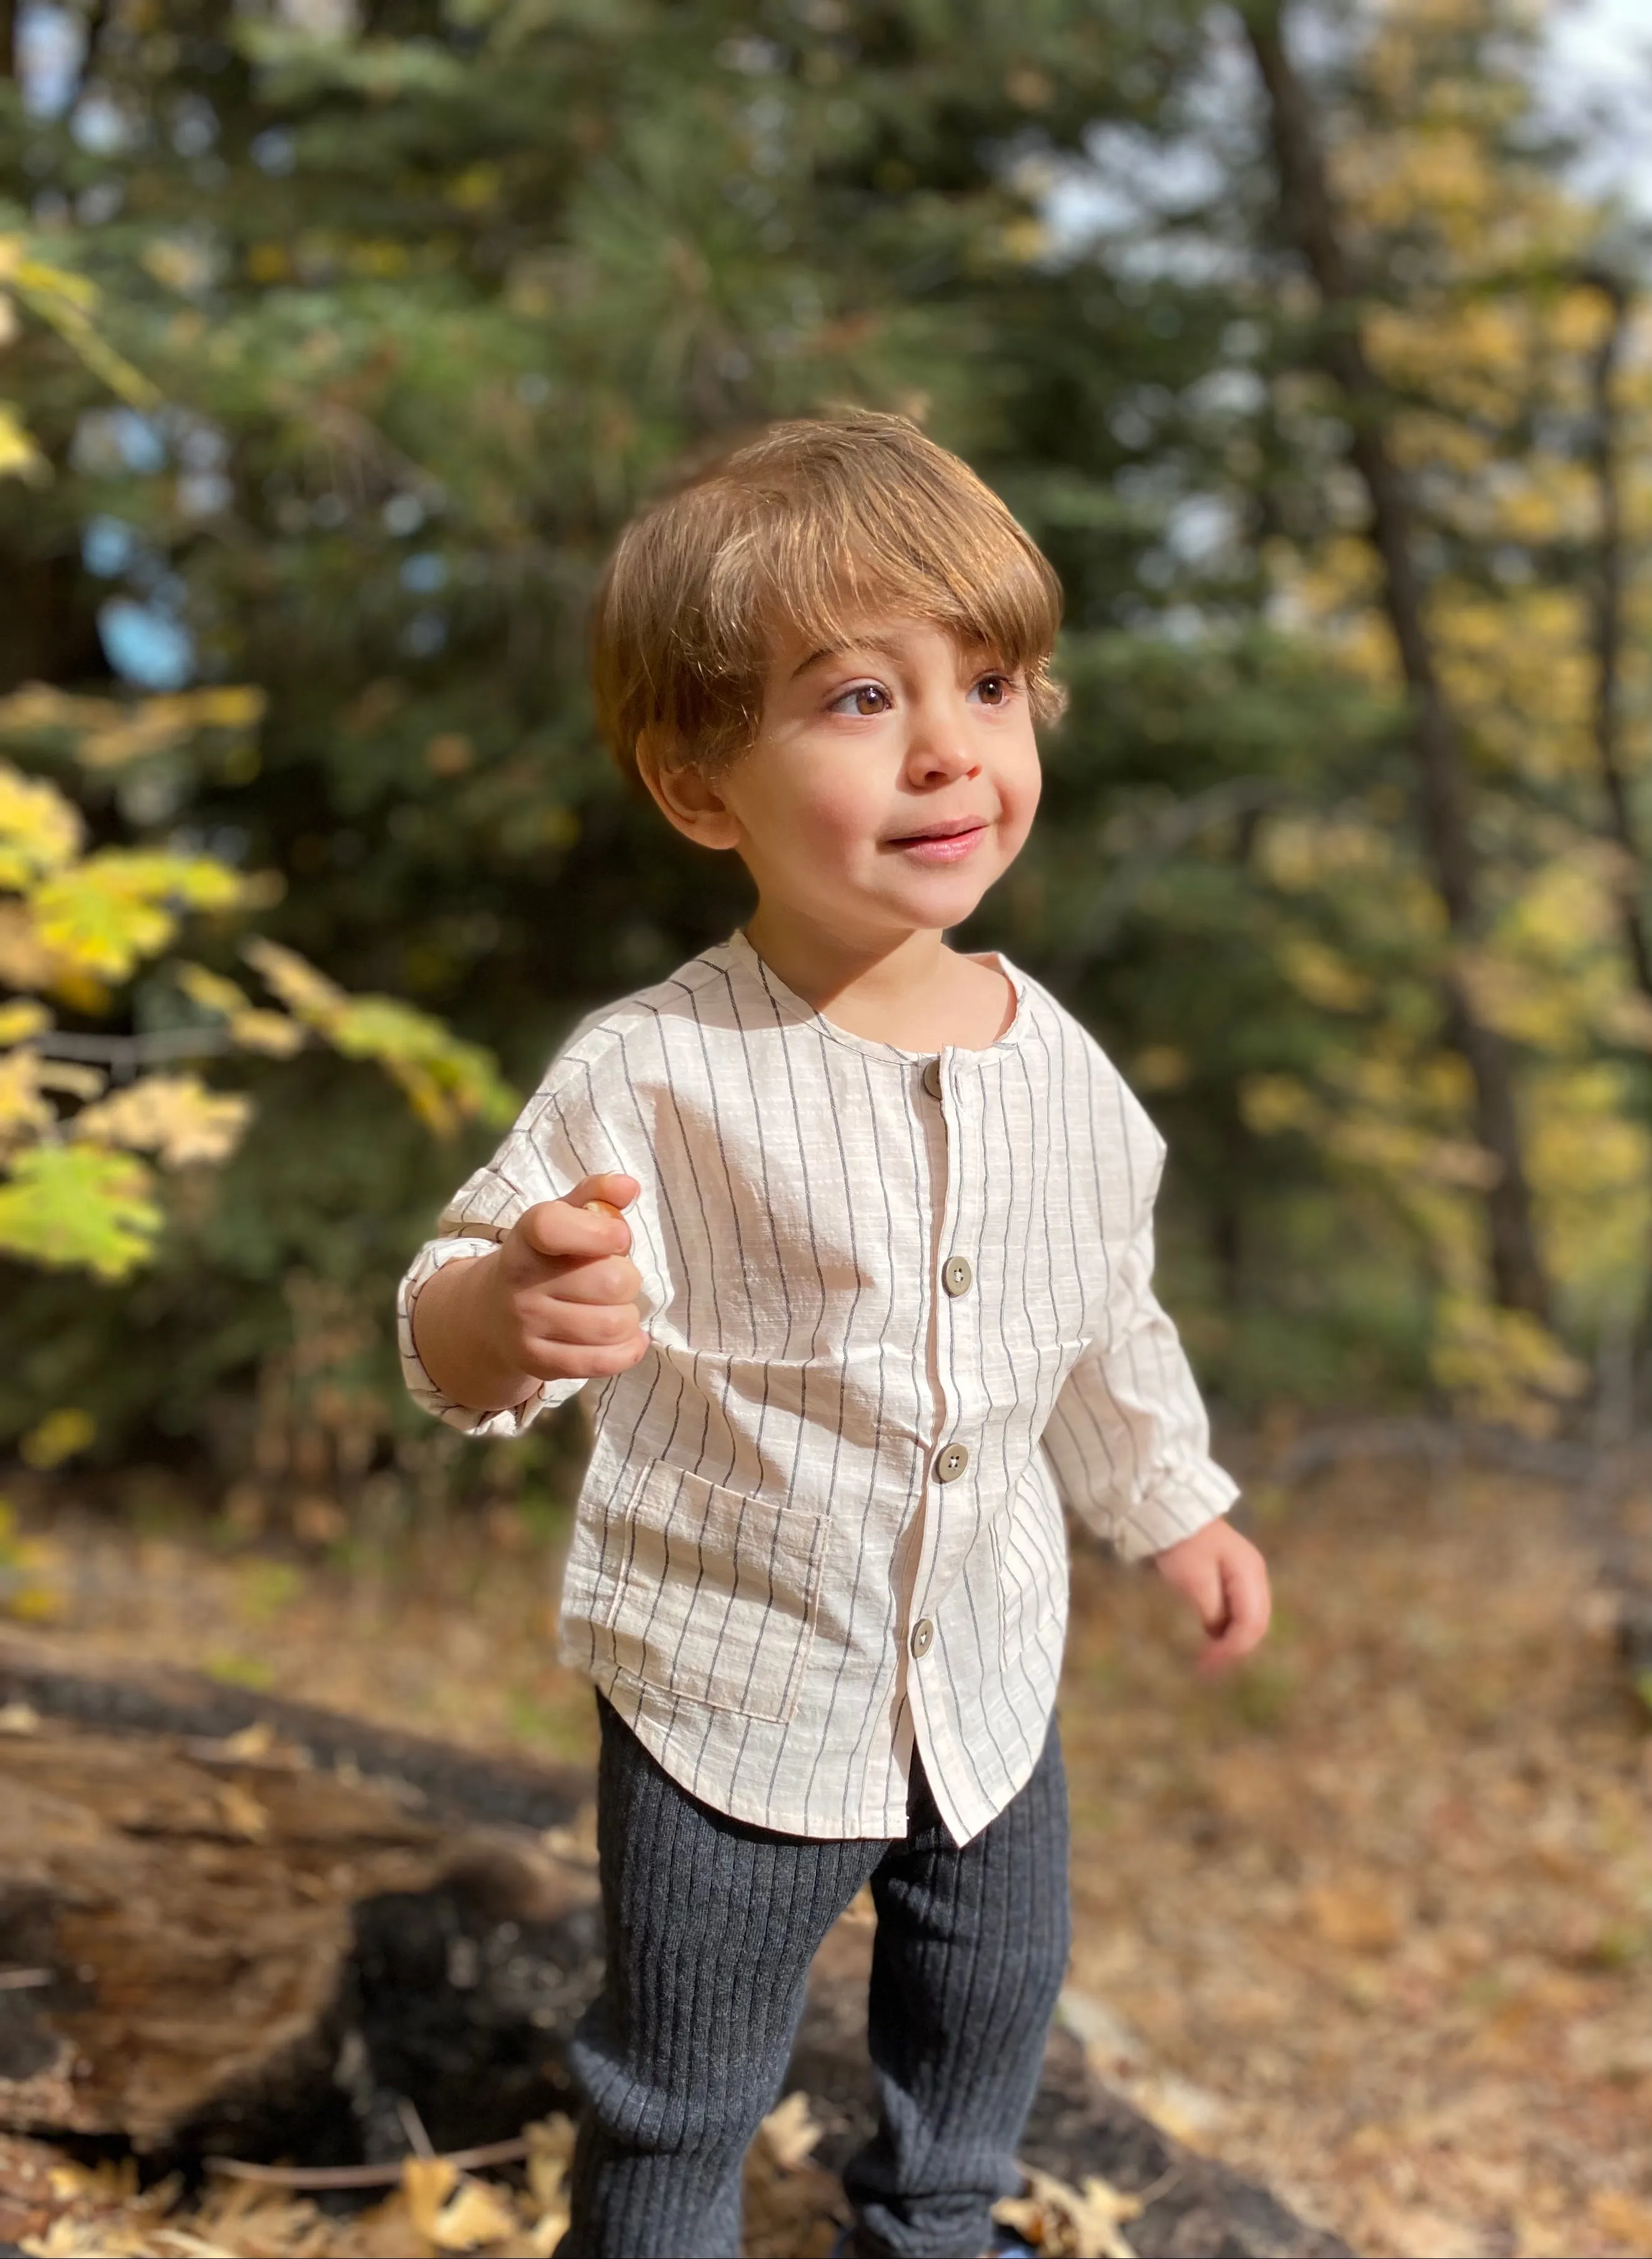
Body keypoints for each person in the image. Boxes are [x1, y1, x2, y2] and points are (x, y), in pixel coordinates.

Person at [396, 410, 1271, 2259]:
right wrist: (517, 1303)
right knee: (682, 2092)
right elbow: (454, 1308)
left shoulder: (1068, 1074)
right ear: (702, 785)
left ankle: (935, 2232)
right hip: (736, 1692)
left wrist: (1175, 1508)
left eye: (995, 681)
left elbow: (1107, 1322)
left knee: (978, 2049)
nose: (956, 743)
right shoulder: (659, 1066)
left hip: (986, 1682)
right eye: (861, 698)